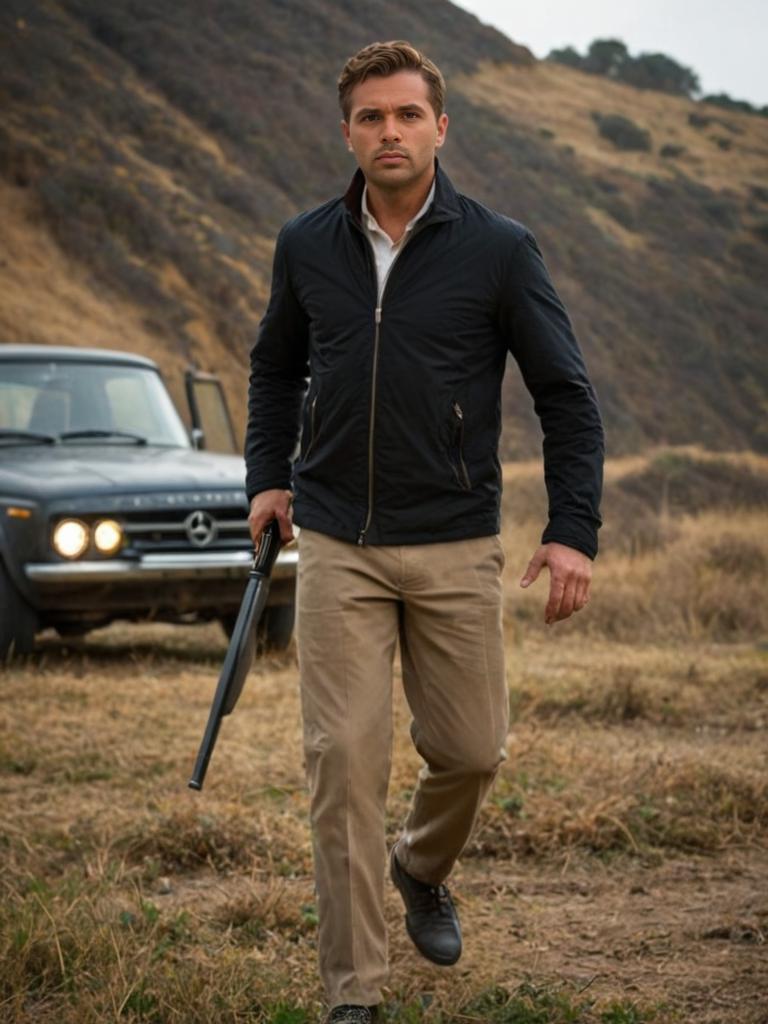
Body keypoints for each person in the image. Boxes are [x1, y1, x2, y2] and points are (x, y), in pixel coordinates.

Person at [245, 40, 604, 1024]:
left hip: (453, 540)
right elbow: (275, 368)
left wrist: (573, 529)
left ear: (440, 126)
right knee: (343, 766)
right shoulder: (305, 242)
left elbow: (566, 394)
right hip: (338, 544)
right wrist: (267, 479)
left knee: (473, 748)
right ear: (347, 130)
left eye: (407, 115)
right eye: (371, 117)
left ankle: (421, 863)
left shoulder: (499, 247)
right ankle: (352, 995)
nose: (389, 132)